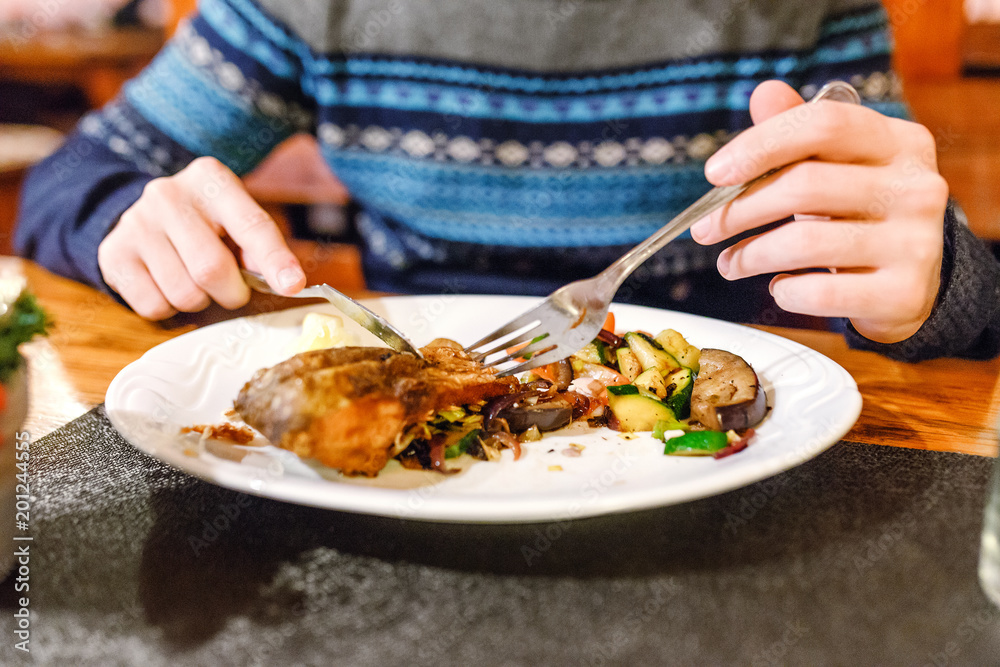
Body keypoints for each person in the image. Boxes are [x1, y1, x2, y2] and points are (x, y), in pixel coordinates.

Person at [14, 0, 1000, 361]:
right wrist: (123, 218)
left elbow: (921, 260)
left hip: (732, 465)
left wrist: (936, 285)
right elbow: (77, 173)